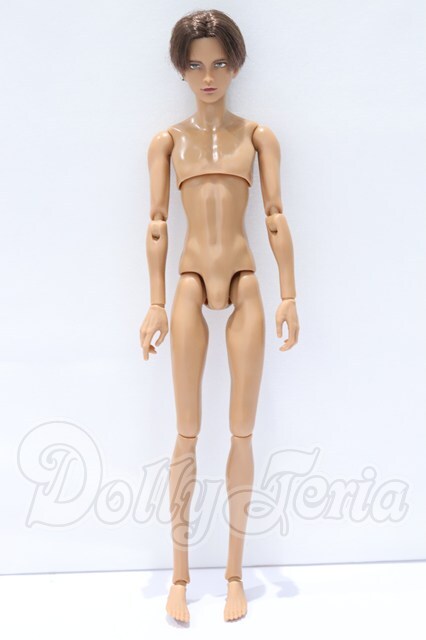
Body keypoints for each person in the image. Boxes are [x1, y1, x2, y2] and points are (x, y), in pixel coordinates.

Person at [139, 9, 300, 622]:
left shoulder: (257, 137)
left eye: (220, 63)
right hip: (187, 282)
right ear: (181, 70)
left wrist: (289, 293)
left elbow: (275, 216)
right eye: (196, 65)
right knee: (186, 432)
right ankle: (179, 577)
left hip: (244, 280)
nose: (208, 76)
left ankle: (235, 574)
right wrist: (155, 302)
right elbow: (157, 222)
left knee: (240, 432)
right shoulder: (167, 142)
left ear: (235, 67)